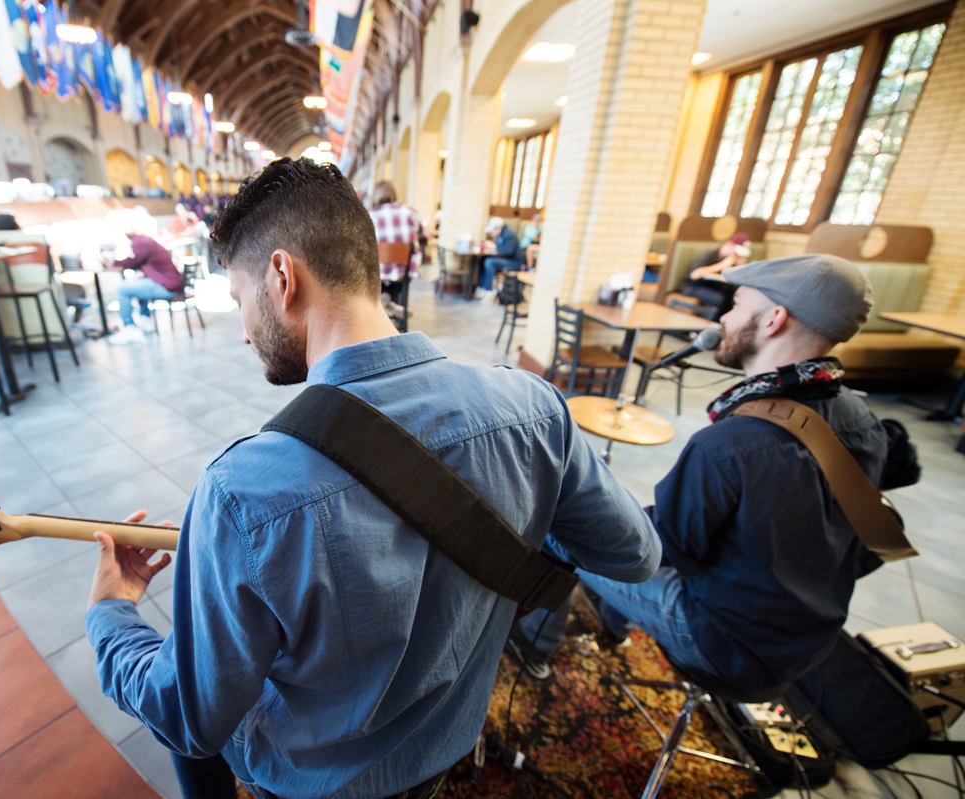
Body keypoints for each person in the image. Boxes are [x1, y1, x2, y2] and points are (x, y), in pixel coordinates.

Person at [84, 158, 661, 799]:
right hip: (443, 751)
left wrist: (112, 613)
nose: (246, 334)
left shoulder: (241, 494)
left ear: (282, 277)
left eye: (240, 301)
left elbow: (186, 718)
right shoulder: (532, 408)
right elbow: (636, 553)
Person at [511, 254, 921, 690]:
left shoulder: (731, 446)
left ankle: (534, 647)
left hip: (725, 643)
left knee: (564, 536)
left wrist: (577, 514)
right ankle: (615, 628)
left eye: (738, 304)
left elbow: (649, 550)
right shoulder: (862, 420)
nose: (724, 317)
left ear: (773, 320)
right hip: (809, 638)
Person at [104, 228, 184, 344]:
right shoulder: (145, 240)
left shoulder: (141, 242)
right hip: (168, 283)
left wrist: (112, 263)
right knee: (138, 282)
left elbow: (131, 262)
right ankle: (145, 318)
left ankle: (130, 328)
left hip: (167, 286)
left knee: (122, 289)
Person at [367, 180, 426, 311]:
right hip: (403, 271)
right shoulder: (411, 212)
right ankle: (396, 305)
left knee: (375, 272)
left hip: (377, 272)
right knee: (404, 270)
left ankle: (383, 304)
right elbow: (423, 238)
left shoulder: (369, 216)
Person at [678, 232, 751, 317]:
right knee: (717, 299)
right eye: (736, 252)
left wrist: (739, 266)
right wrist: (722, 265)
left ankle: (722, 325)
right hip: (691, 287)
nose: (737, 255)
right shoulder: (710, 255)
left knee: (734, 296)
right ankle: (705, 326)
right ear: (729, 245)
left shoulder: (732, 260)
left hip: (712, 287)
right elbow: (694, 275)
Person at [477, 216, 523, 301]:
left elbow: (509, 251)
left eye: (492, 231)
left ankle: (489, 290)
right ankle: (481, 287)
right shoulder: (501, 234)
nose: (490, 233)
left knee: (489, 262)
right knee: (482, 259)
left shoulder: (508, 234)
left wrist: (495, 247)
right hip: (506, 260)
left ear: (498, 228)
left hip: (513, 263)